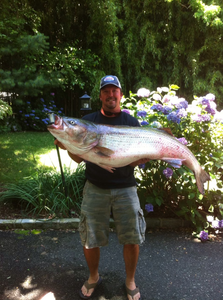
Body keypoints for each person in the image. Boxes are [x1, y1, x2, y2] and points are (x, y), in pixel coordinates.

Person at [55, 75, 148, 300]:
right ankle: (94, 276)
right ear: (100, 96)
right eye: (106, 91)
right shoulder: (88, 120)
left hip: (126, 187)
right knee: (90, 237)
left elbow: (139, 158)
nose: (110, 95)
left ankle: (130, 280)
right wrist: (68, 143)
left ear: (121, 95)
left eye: (114, 91)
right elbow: (79, 159)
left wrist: (140, 158)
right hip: (95, 187)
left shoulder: (131, 122)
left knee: (132, 237)